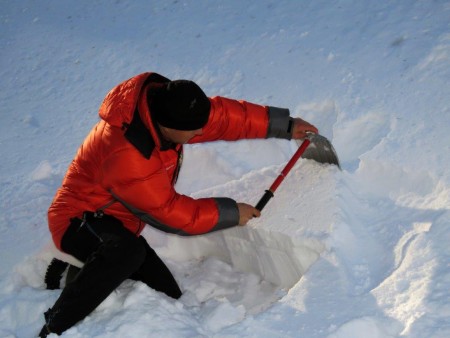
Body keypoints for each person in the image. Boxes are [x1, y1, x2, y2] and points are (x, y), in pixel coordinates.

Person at [39, 72, 318, 336]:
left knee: (167, 296)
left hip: (118, 222)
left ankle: (82, 270)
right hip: (79, 219)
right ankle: (56, 323)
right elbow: (171, 214)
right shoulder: (127, 152)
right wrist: (233, 212)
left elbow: (223, 118)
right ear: (168, 127)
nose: (199, 134)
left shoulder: (168, 106)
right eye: (193, 132)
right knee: (126, 253)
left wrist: (287, 125)